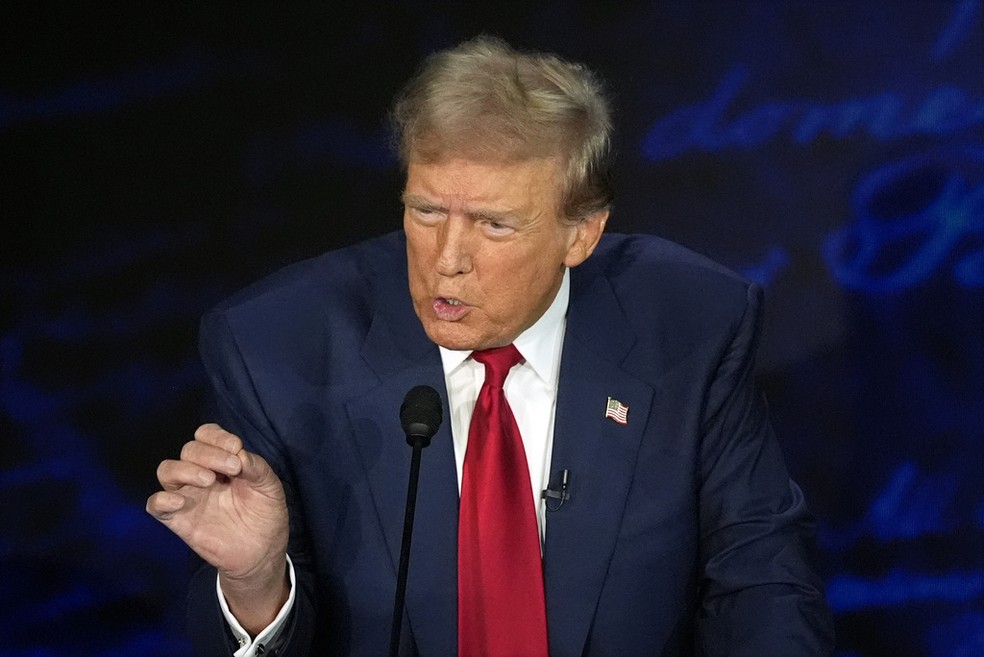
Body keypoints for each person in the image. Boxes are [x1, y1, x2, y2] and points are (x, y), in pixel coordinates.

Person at [147, 36, 835, 656]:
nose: (448, 259)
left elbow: (762, 584)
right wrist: (256, 580)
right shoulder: (277, 348)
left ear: (581, 234)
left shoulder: (690, 325)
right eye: (425, 212)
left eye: (494, 225)